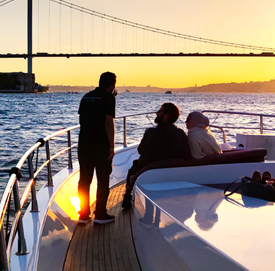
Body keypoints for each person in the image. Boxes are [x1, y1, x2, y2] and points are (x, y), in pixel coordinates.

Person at [121, 103, 191, 210]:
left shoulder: (151, 132)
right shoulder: (180, 134)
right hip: (172, 171)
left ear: (166, 116)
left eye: (160, 111)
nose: (157, 113)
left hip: (147, 170)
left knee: (134, 167)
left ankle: (128, 195)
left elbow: (140, 151)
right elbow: (186, 155)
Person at [77, 71, 117, 225]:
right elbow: (108, 122)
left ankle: (83, 214)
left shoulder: (86, 96)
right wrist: (111, 146)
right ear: (112, 84)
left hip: (84, 143)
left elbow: (81, 120)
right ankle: (100, 214)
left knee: (84, 179)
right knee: (103, 179)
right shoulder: (109, 97)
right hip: (101, 144)